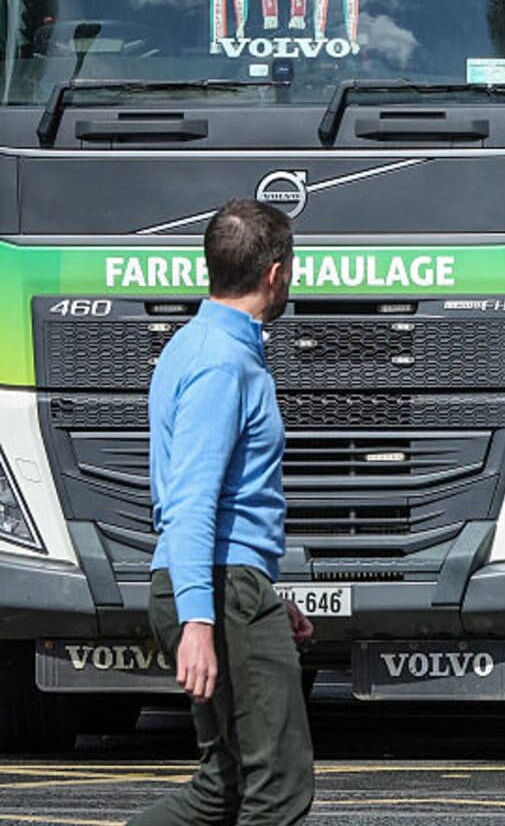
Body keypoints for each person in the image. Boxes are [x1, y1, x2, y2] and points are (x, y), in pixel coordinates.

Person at [130, 200, 313, 826]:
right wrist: (200, 621)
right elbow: (192, 499)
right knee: (278, 787)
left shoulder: (193, 345)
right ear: (275, 275)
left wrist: (263, 594)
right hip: (216, 588)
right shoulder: (222, 363)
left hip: (226, 584)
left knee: (224, 786)